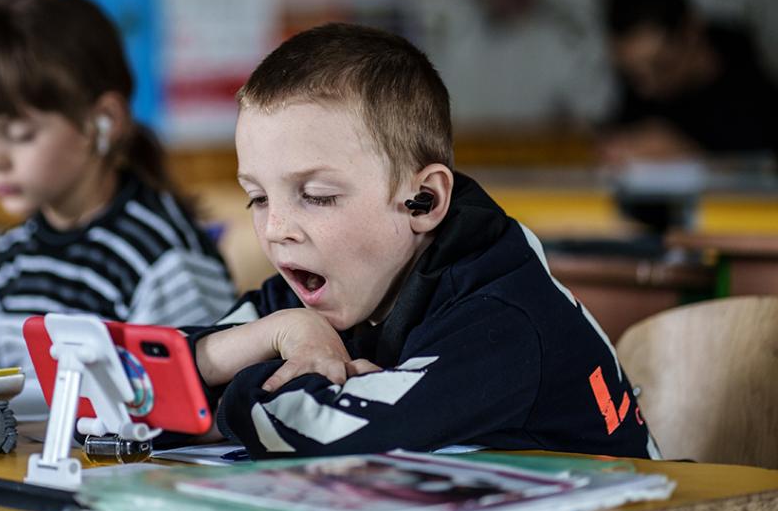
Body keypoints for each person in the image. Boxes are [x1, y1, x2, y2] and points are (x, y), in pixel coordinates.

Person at [189, 23, 658, 459]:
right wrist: (281, 333)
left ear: (424, 200)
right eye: (257, 198)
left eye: (318, 196)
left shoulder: (505, 319)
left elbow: (325, 435)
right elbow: (131, 389)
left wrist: (212, 390)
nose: (276, 229)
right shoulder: (311, 293)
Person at [0, 0, 235, 379]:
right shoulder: (10, 259)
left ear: (103, 121)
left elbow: (197, 413)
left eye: (20, 134)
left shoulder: (164, 262)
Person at [598, 0, 778, 165]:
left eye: (661, 66)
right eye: (632, 74)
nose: (645, 89)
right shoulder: (640, 87)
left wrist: (696, 159)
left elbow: (763, 172)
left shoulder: (753, 93)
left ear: (692, 32)